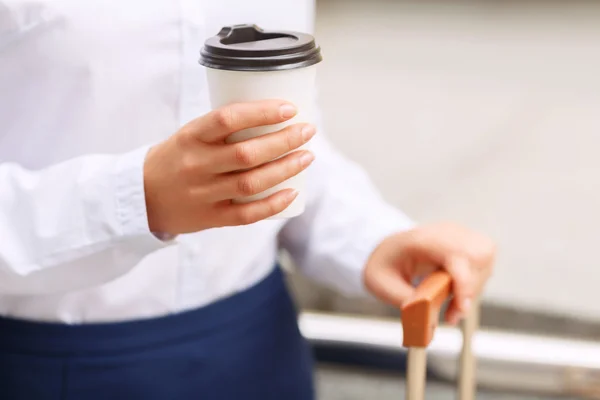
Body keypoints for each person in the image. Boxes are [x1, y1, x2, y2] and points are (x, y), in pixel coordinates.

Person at [0, 0, 495, 399]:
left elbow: (290, 135)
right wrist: (137, 198)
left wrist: (371, 236)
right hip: (53, 361)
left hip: (260, 349)